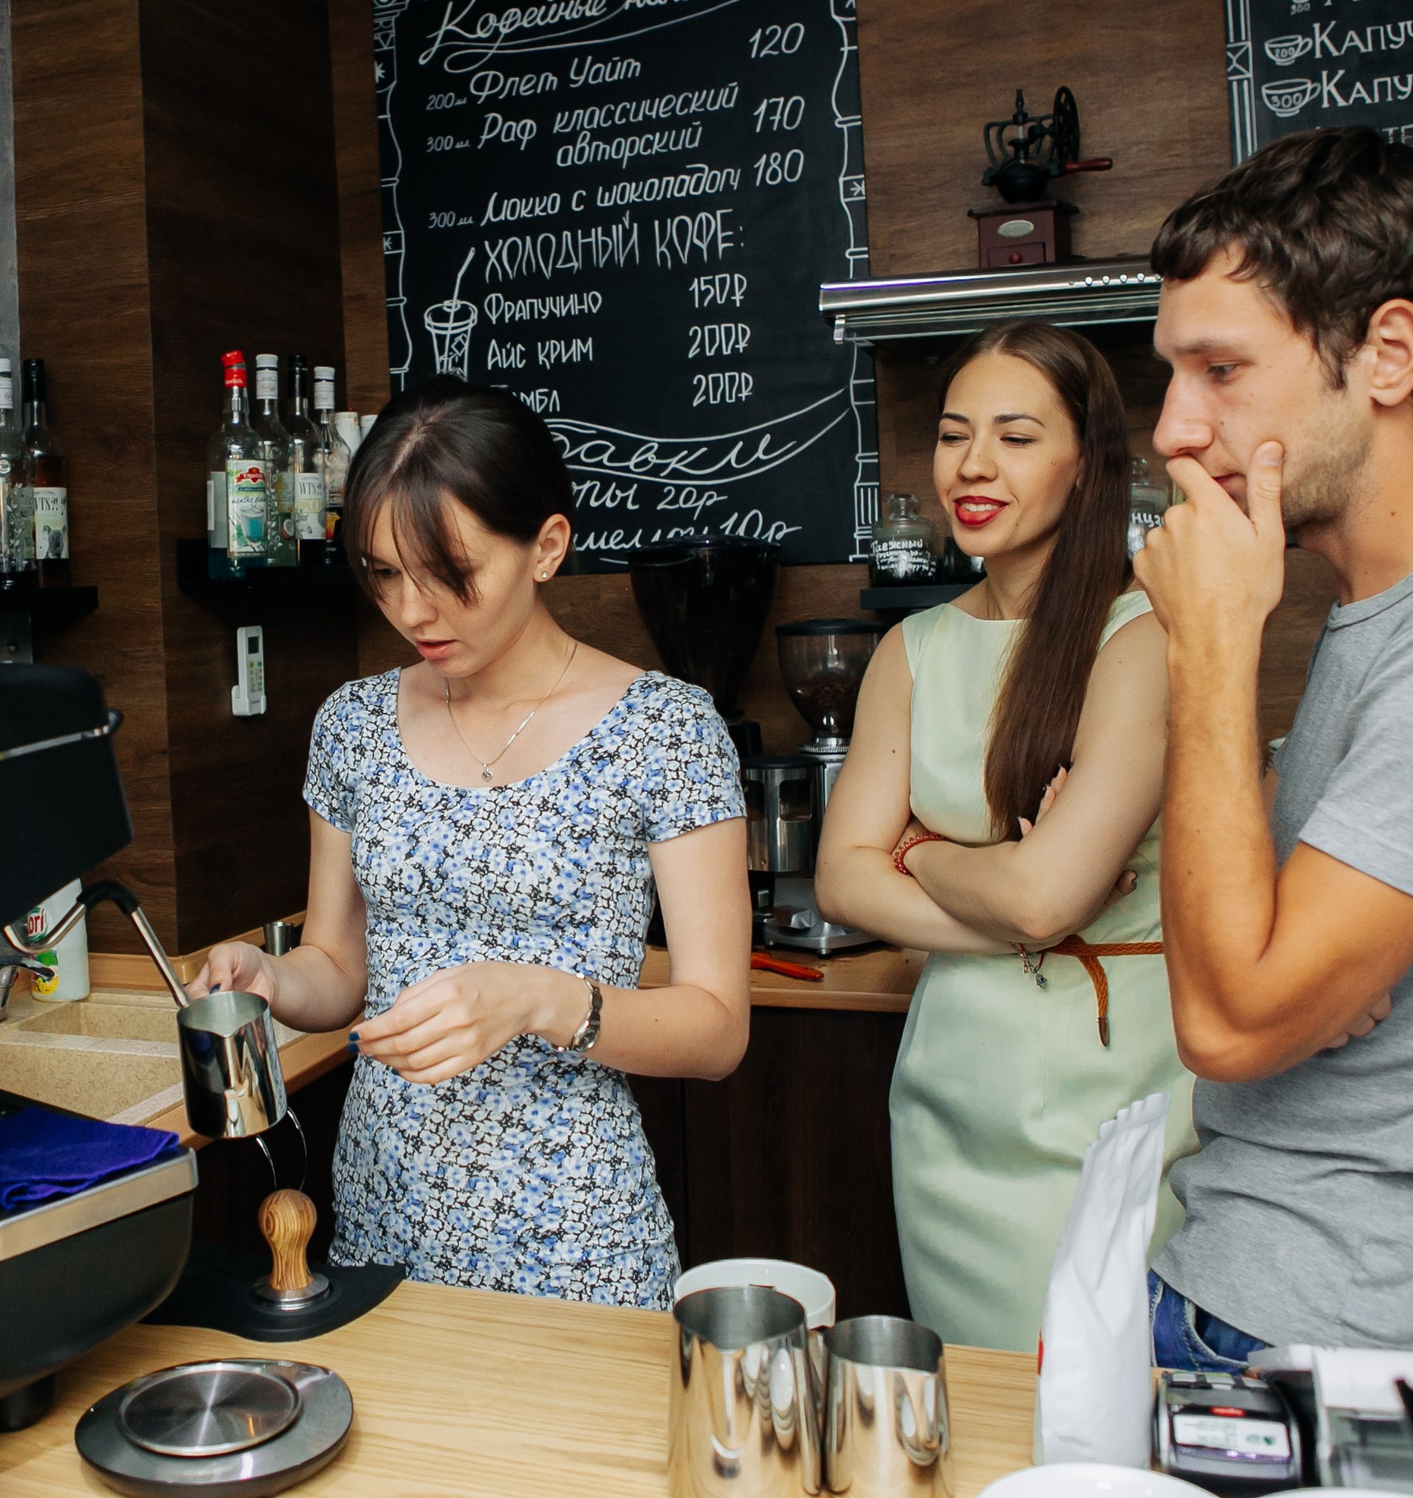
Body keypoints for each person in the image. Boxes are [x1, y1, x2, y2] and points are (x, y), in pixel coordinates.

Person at [187, 375, 750, 1308]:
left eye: (449, 573)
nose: (413, 611)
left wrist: (534, 997)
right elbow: (339, 968)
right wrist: (272, 979)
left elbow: (717, 1028)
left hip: (574, 1231)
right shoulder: (354, 724)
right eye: (384, 573)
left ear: (546, 547)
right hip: (382, 1209)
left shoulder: (665, 729)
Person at [815, 320, 1195, 1354]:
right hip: (949, 1096)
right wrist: (1021, 895)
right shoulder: (913, 647)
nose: (972, 465)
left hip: (1106, 1093)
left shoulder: (1141, 639)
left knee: (1091, 1392)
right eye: (953, 434)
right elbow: (841, 879)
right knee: (972, 1405)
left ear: (1087, 465)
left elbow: (1038, 896)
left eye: (1016, 437)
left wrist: (920, 853)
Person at [1136, 126, 1413, 1364]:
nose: (1171, 429)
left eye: (1220, 370)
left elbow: (1230, 1021)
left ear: (1387, 355)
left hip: (1331, 1340)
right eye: (1171, 374)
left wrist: (1206, 645)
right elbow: (1246, 950)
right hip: (1250, 1291)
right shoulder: (1363, 621)